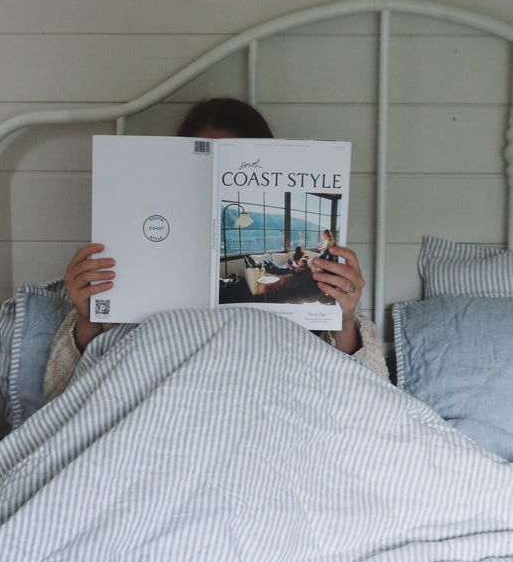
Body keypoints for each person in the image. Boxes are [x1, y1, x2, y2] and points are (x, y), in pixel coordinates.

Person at [44, 98, 388, 401]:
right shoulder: (131, 268)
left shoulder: (312, 288)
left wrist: (343, 319)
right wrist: (88, 317)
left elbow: (368, 401)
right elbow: (65, 400)